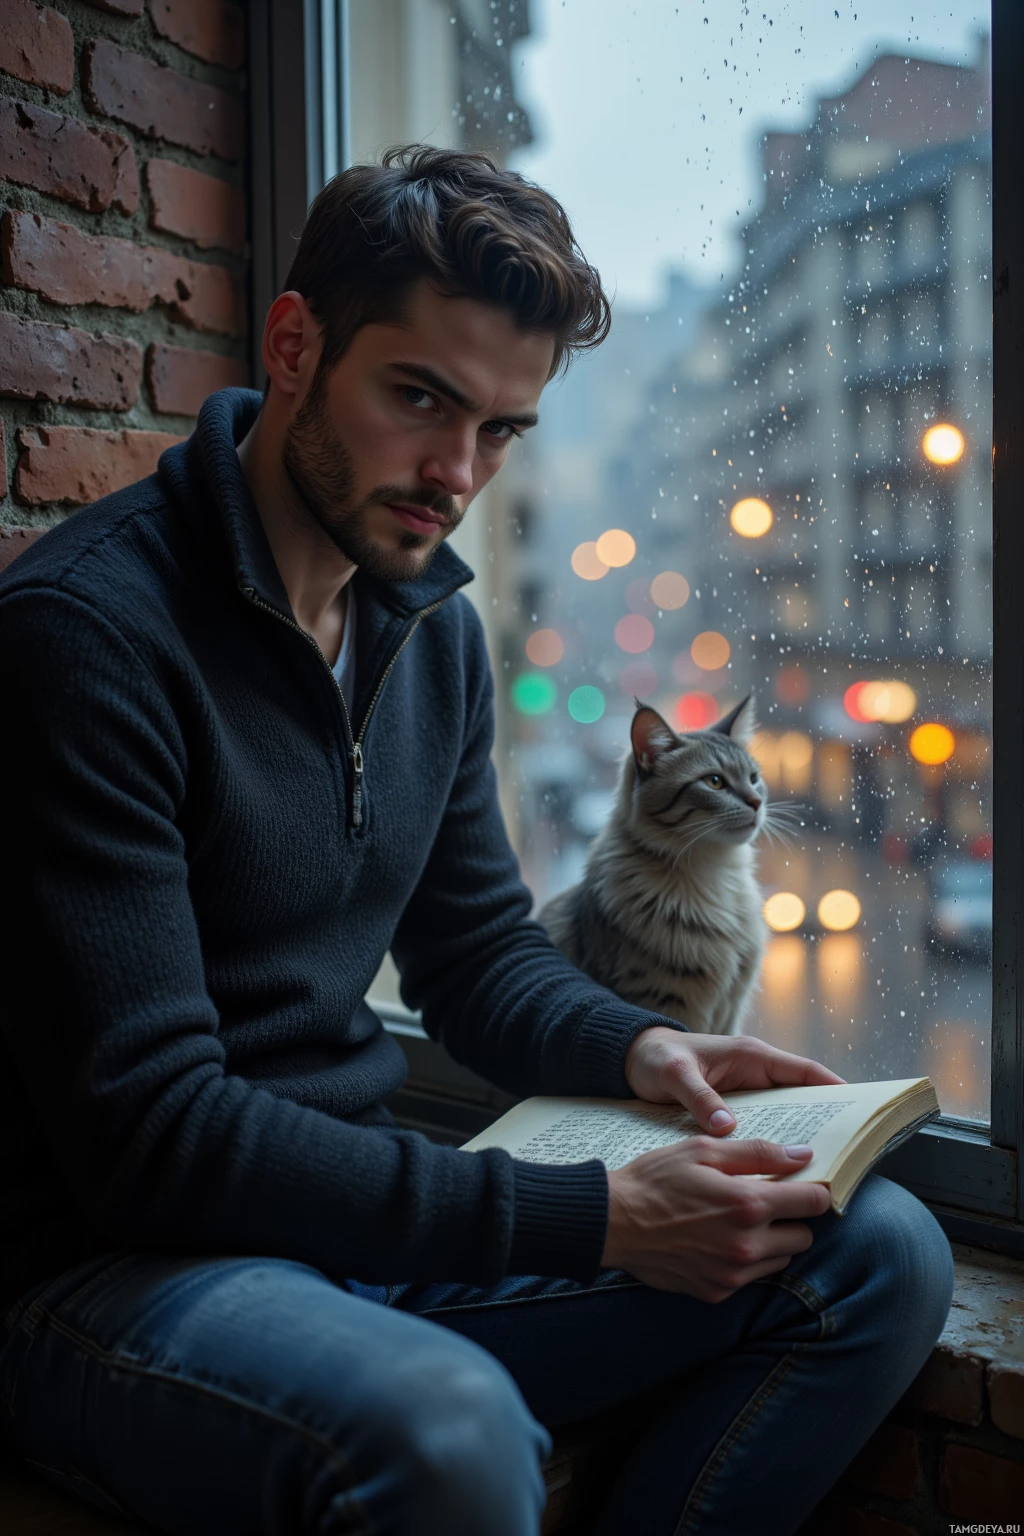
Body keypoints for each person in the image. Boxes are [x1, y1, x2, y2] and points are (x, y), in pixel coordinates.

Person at [0, 146, 953, 1536]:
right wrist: (596, 1220)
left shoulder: (433, 631)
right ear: (295, 344)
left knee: (880, 1255)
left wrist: (638, 1048)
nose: (457, 473)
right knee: (446, 1437)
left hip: (352, 1230)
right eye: (419, 398)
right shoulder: (85, 641)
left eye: (501, 429)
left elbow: (477, 953)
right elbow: (155, 1136)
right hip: (118, 1272)